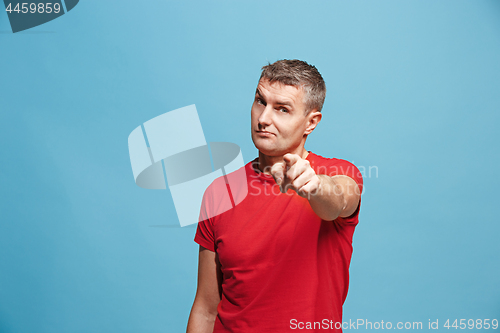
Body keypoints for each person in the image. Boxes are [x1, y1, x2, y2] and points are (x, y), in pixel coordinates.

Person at [186, 59, 363, 332]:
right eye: (260, 102)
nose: (264, 118)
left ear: (311, 122)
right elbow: (206, 308)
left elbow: (339, 200)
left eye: (282, 109)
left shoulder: (340, 172)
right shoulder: (219, 193)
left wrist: (315, 187)